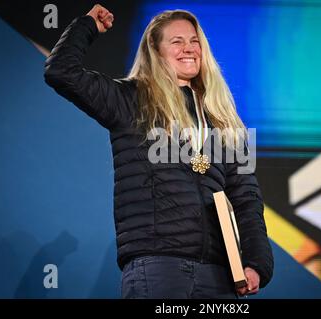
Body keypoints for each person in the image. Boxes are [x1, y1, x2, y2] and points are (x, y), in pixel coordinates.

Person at [44, 4, 273, 299]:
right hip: (159, 268)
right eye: (177, 41)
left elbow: (246, 199)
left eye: (194, 41)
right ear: (155, 50)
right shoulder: (130, 101)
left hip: (220, 276)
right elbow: (61, 71)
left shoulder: (224, 120)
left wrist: (256, 264)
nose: (189, 48)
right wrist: (87, 25)